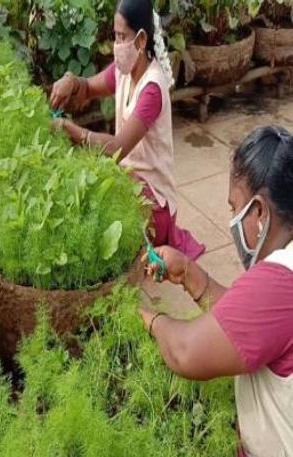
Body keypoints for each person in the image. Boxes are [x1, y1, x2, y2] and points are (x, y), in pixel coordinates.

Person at [140, 126, 293, 456]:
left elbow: (186, 352)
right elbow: (249, 328)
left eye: (233, 207)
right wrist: (189, 274)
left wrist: (150, 320)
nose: (231, 219)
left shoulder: (280, 283)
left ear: (260, 212)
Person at [49, 0, 205, 260]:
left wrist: (70, 129)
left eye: (122, 37)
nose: (116, 45)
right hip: (128, 181)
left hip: (152, 202)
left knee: (96, 212)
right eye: (115, 36)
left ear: (141, 40)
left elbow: (116, 149)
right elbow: (87, 87)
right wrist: (71, 80)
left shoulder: (152, 89)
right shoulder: (124, 71)